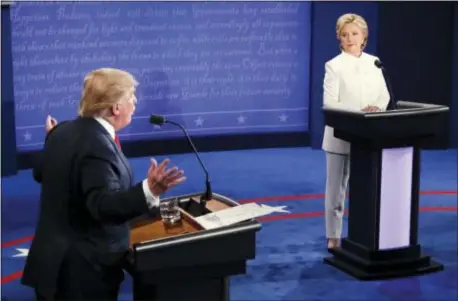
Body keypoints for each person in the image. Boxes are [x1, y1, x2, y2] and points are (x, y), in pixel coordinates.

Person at [21, 68, 187, 300]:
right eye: (131, 97)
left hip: (52, 267)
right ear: (115, 107)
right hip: (82, 276)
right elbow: (102, 205)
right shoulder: (96, 144)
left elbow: (40, 172)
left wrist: (53, 142)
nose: (136, 102)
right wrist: (150, 190)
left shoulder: (61, 132)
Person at [321, 13, 390, 249]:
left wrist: (376, 108)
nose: (350, 38)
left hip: (369, 138)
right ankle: (333, 236)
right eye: (345, 34)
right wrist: (360, 111)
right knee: (336, 192)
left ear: (364, 37)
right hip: (340, 136)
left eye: (354, 33)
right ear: (339, 38)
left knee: (366, 191)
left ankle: (365, 235)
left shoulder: (374, 62)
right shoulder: (334, 66)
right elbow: (330, 103)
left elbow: (384, 95)